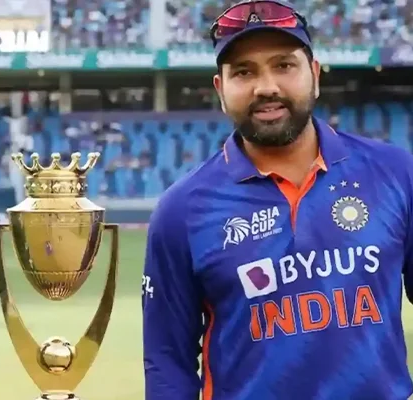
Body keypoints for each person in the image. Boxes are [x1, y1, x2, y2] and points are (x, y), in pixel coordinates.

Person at [142, 1, 413, 399]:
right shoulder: (181, 211)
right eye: (243, 72)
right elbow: (167, 360)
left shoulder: (396, 173)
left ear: (315, 75)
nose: (266, 86)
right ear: (221, 89)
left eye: (284, 65)